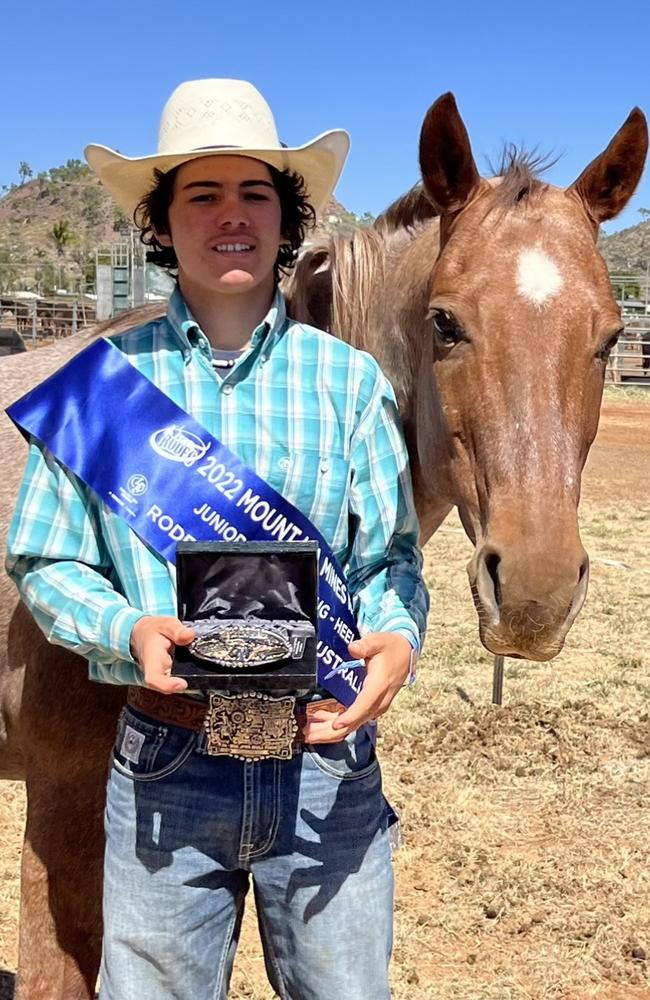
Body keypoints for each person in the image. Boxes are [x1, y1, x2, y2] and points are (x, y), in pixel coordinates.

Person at [6, 79, 428, 1000]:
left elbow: (388, 558)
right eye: (201, 195)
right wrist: (124, 630)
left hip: (325, 762)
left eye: (254, 194)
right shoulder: (102, 387)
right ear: (161, 226)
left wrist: (398, 637)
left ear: (288, 218)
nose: (230, 216)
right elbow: (44, 556)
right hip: (166, 760)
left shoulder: (348, 384)